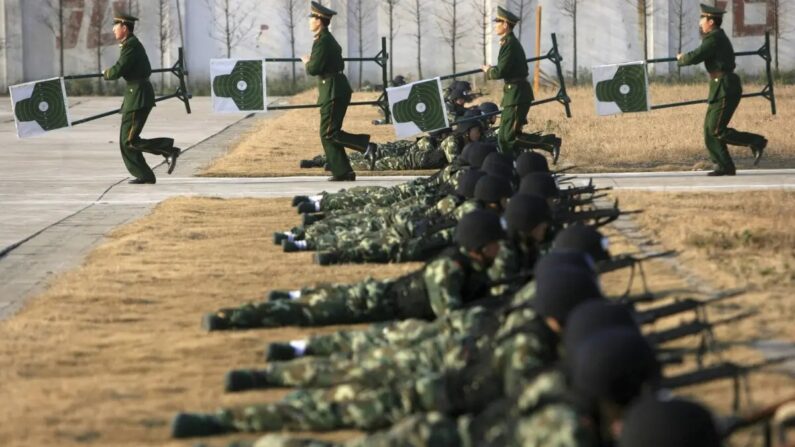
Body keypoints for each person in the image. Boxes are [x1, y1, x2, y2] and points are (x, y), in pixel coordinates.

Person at [676, 3, 767, 176]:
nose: (700, 22)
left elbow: (694, 57)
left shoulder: (714, 39)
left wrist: (681, 59)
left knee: (717, 129)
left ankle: (755, 141)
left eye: (702, 19)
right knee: (709, 130)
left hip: (725, 86)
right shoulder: (715, 36)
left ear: (711, 21)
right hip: (719, 86)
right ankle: (724, 165)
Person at [103, 12, 180, 184]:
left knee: (129, 141)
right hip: (135, 95)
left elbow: (118, 69)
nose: (114, 30)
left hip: (138, 97)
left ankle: (168, 150)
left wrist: (106, 73)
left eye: (116, 27)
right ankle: (145, 174)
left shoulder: (131, 46)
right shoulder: (129, 45)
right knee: (128, 141)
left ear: (124, 27)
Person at [302, 2, 376, 181]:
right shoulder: (325, 40)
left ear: (319, 21)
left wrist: (307, 62)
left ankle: (366, 146)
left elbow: (314, 68)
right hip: (334, 88)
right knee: (328, 133)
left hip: (333, 90)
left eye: (312, 18)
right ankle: (343, 171)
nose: (310, 21)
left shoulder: (323, 42)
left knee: (329, 133)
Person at [481, 7, 561, 163]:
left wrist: (489, 70)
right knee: (504, 137)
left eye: (498, 22)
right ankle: (515, 163)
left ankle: (549, 143)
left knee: (508, 137)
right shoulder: (508, 43)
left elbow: (500, 71)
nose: (495, 25)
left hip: (517, 95)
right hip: (513, 94)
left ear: (505, 25)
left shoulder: (510, 44)